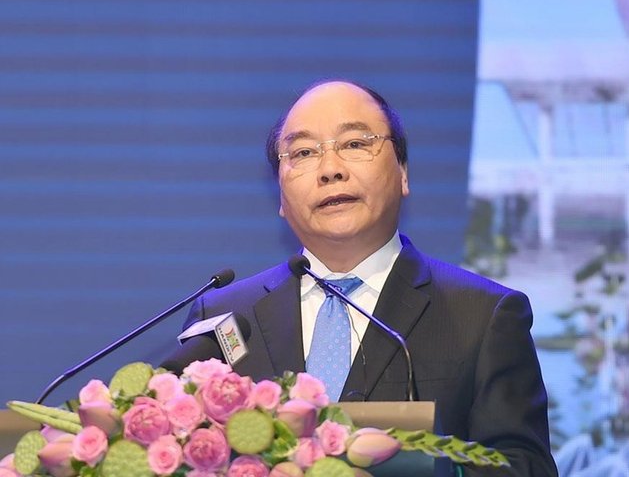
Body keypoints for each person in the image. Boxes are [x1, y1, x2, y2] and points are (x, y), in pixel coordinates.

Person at [162, 80, 558, 476]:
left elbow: (525, 467)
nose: (330, 170)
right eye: (303, 153)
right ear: (280, 195)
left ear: (403, 172)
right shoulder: (223, 315)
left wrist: (423, 466)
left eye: (354, 144)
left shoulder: (483, 316)